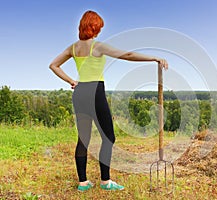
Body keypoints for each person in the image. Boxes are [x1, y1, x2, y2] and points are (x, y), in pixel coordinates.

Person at [49, 10, 168, 191]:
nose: (99, 31)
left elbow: (53, 65)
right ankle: (105, 181)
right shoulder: (97, 46)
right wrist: (153, 57)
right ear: (94, 27)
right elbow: (126, 55)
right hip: (95, 92)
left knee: (84, 138)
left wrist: (72, 81)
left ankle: (83, 183)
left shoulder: (73, 48)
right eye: (99, 27)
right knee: (109, 137)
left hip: (80, 92)